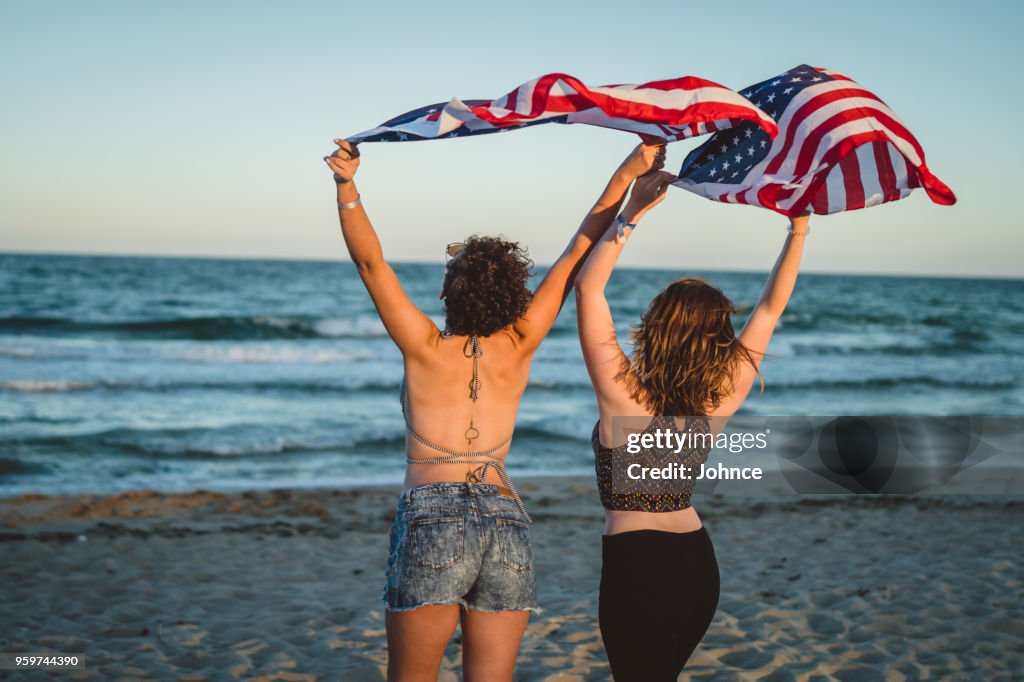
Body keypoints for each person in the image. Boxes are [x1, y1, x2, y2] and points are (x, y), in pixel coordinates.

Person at [323, 138, 667, 681]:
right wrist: (628, 173)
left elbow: (370, 264)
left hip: (433, 514)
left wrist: (346, 187)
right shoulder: (523, 339)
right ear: (514, 296)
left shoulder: (423, 346)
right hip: (505, 518)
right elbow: (577, 250)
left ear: (446, 295)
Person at [573, 171, 810, 681]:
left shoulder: (623, 393)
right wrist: (798, 230)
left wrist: (632, 212)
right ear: (720, 336)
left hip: (638, 566)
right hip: (697, 561)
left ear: (654, 326)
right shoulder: (719, 397)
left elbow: (589, 290)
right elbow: (771, 307)